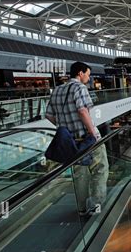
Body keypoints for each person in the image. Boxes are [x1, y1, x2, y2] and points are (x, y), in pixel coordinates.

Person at [45, 61, 109, 216]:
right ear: (80, 73)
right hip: (86, 138)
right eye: (87, 74)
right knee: (100, 168)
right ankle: (96, 204)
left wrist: (65, 127)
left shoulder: (58, 90)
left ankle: (82, 208)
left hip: (71, 143)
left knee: (80, 174)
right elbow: (82, 111)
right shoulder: (80, 87)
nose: (89, 77)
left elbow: (48, 115)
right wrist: (93, 133)